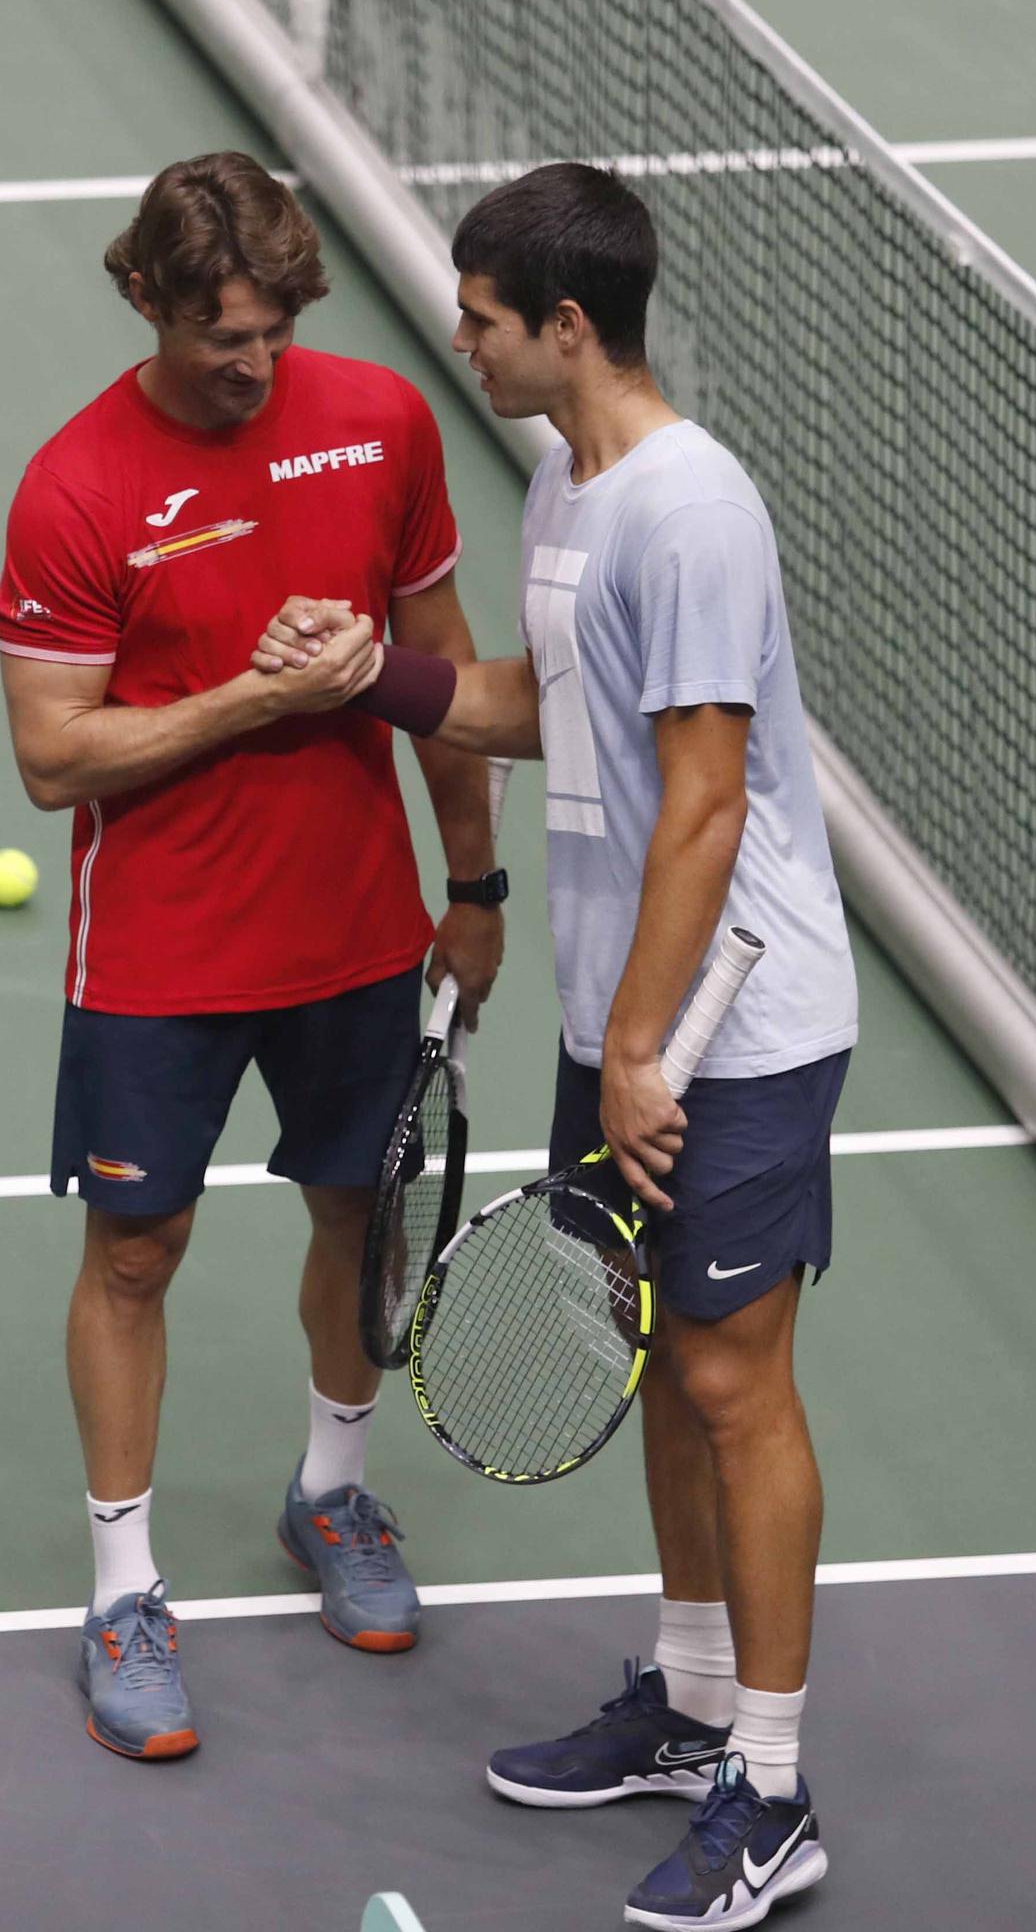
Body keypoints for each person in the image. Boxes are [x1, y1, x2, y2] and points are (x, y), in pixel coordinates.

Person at [252, 161, 857, 1927]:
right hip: (628, 1015)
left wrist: (650, 1048)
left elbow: (702, 802)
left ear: (564, 326)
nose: (462, 341)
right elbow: (538, 704)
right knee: (660, 1353)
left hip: (727, 1024)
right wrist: (361, 676)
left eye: (482, 318)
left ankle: (771, 1787)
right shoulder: (560, 484)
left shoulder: (691, 509)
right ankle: (684, 1708)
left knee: (736, 1382)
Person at [0, 151, 506, 1762]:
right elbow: (55, 760)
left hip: (355, 923)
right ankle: (124, 1588)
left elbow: (443, 674)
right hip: (159, 948)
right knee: (136, 1255)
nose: (255, 365)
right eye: (222, 333)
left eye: (276, 333)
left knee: (359, 1221)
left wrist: (472, 882)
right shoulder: (74, 488)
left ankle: (332, 1497)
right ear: (142, 296)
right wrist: (261, 702)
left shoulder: (385, 424)